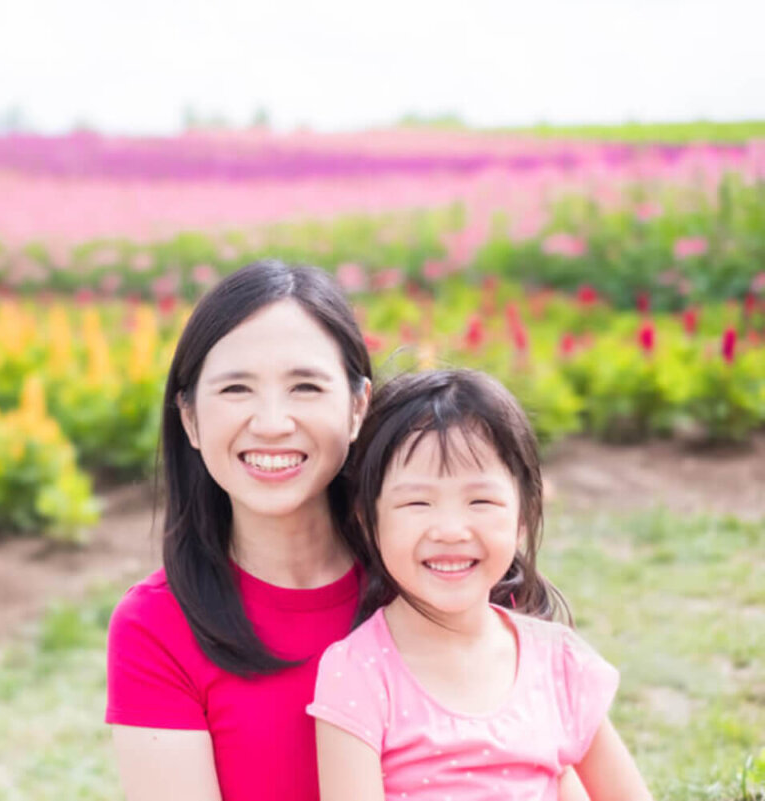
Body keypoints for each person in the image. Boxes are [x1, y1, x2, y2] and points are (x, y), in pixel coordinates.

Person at [105, 262, 591, 801]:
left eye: (305, 386)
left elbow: (542, 765)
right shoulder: (156, 626)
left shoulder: (440, 569)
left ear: (358, 406)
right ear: (190, 418)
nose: (271, 422)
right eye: (236, 389)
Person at [308, 369, 652, 800]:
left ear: (523, 517)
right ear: (367, 518)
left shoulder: (558, 662)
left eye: (481, 501)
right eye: (418, 502)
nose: (451, 530)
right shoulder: (357, 672)